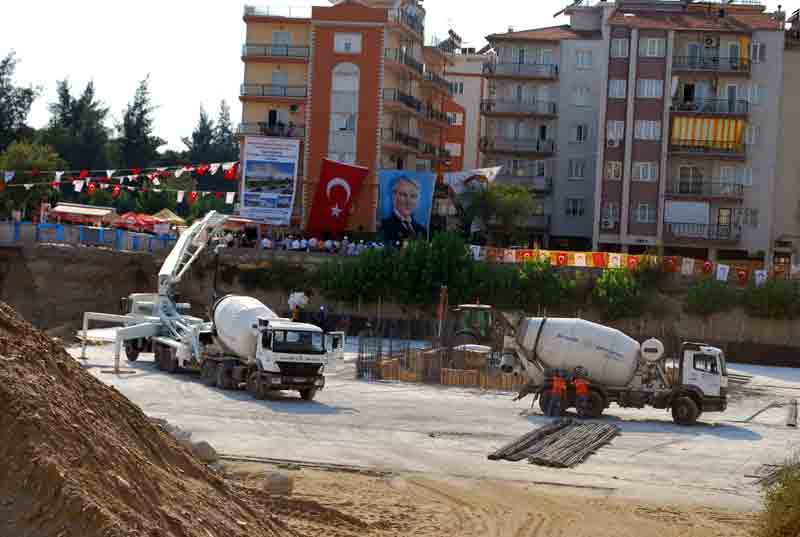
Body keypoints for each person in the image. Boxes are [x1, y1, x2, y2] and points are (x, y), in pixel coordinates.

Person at [381, 176, 428, 243]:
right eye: (403, 195)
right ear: (393, 197)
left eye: (413, 196)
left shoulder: (422, 230)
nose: (408, 201)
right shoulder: (384, 227)